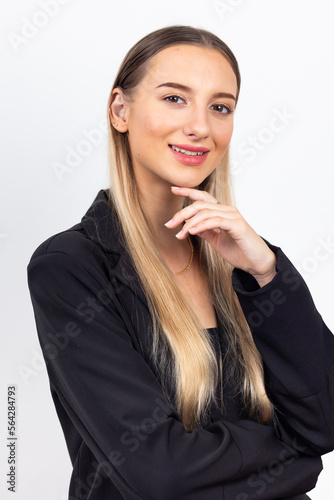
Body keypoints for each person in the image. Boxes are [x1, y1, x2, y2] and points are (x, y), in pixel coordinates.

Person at [27, 25, 334, 500]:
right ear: (120, 109)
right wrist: (300, 456)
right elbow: (157, 473)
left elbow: (327, 417)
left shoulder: (246, 260)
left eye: (220, 107)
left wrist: (268, 273)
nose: (200, 127)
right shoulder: (70, 265)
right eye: (174, 98)